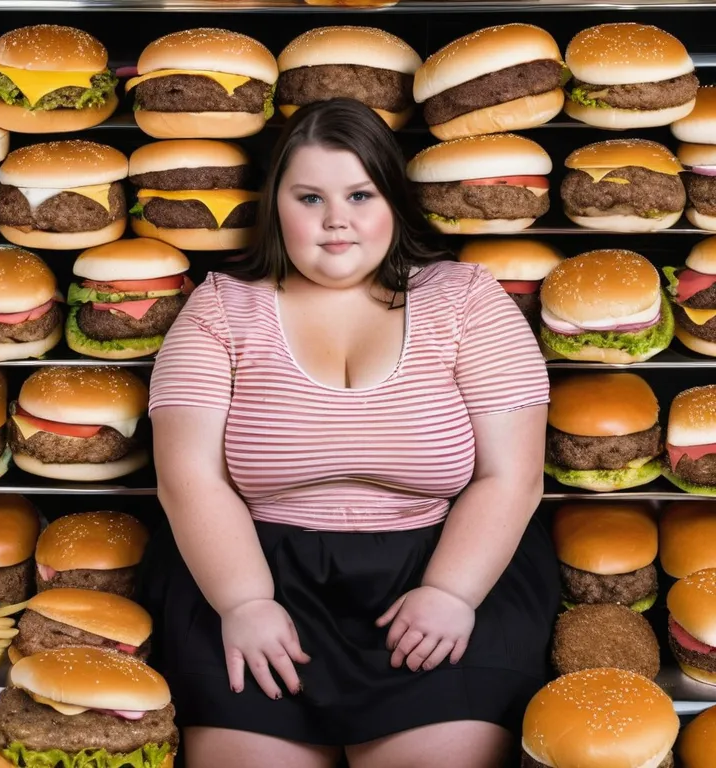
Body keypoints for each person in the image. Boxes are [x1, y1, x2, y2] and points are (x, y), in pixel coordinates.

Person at [148, 98, 560, 768]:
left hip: (446, 566)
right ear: (275, 204)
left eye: (359, 194)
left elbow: (512, 476)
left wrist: (452, 594)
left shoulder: (468, 299)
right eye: (309, 196)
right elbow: (188, 477)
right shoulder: (221, 305)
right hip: (249, 570)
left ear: (392, 201)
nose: (336, 219)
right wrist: (244, 602)